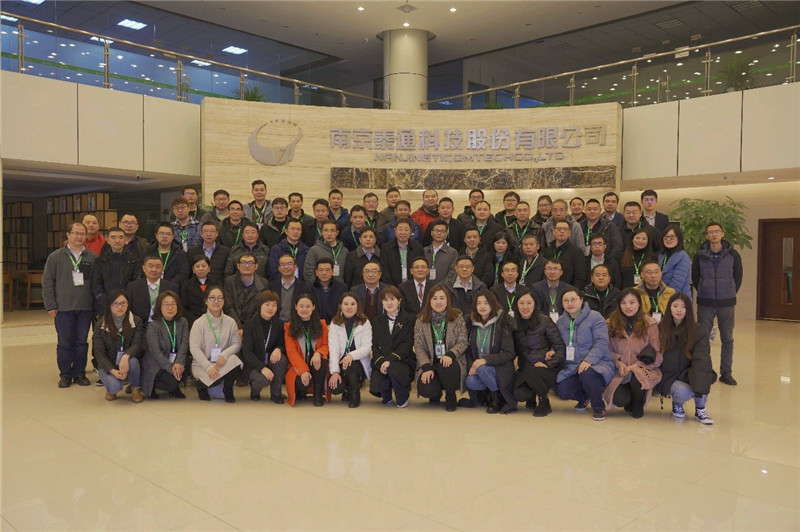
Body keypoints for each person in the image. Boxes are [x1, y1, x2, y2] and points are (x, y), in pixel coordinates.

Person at [43, 221, 97, 388]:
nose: (79, 237)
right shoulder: (56, 257)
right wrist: (50, 304)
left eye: (82, 234)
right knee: (65, 342)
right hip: (63, 307)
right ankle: (65, 374)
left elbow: (96, 283)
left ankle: (79, 373)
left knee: (81, 341)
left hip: (85, 307)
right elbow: (47, 281)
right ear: (68, 235)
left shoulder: (92, 258)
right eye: (76, 233)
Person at [692, 221, 743, 386]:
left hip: (726, 303)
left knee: (727, 339)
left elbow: (738, 277)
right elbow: (695, 277)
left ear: (722, 234)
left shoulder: (733, 255)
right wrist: (704, 290)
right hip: (705, 302)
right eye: (710, 232)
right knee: (702, 338)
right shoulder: (699, 255)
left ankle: (726, 373)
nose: (714, 234)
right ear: (706, 236)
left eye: (717, 231)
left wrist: (729, 291)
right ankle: (705, 371)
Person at [554, 288, 615, 421]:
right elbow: (558, 343)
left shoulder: (595, 317)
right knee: (562, 390)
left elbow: (602, 341)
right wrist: (552, 351)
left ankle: (598, 406)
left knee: (587, 374)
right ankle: (583, 397)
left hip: (598, 363)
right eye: (566, 300)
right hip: (572, 366)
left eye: (573, 299)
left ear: (581, 300)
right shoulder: (560, 322)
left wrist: (588, 360)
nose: (570, 303)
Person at [654, 293, 716, 424]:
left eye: (683, 307)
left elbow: (701, 360)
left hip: (688, 372)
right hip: (667, 375)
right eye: (675, 306)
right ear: (669, 308)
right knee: (684, 392)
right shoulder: (660, 329)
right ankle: (677, 404)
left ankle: (700, 409)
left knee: (704, 376)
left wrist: (699, 389)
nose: (679, 310)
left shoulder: (698, 330)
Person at [602, 288, 662, 418]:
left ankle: (638, 401)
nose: (628, 306)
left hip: (643, 369)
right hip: (620, 370)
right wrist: (618, 362)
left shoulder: (650, 324)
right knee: (619, 399)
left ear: (639, 304)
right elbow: (606, 351)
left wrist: (637, 366)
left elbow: (658, 354)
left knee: (637, 378)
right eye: (623, 303)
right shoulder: (610, 323)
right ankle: (629, 398)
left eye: (632, 302)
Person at [414, 285, 469, 412]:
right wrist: (426, 367)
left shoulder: (457, 317)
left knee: (447, 366)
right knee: (427, 388)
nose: (438, 302)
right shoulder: (421, 320)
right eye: (435, 298)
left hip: (451, 362)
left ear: (447, 300)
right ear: (429, 301)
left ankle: (450, 395)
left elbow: (463, 341)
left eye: (442, 298)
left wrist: (451, 354)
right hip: (431, 362)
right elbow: (419, 346)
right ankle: (436, 392)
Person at [512, 289, 565, 417]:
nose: (525, 307)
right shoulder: (513, 323)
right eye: (521, 303)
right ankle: (531, 394)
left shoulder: (544, 321)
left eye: (529, 303)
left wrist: (547, 363)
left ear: (535, 304)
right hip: (525, 367)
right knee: (520, 394)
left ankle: (544, 401)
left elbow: (560, 348)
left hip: (546, 367)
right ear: (516, 305)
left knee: (532, 372)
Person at [466, 290, 517, 414]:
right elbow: (468, 351)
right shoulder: (471, 323)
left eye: (486, 303)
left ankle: (497, 398)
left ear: (492, 304)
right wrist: (472, 365)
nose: (482, 306)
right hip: (480, 367)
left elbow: (509, 353)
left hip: (500, 368)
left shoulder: (502, 322)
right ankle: (487, 394)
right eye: (479, 303)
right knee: (470, 381)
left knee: (483, 369)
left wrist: (484, 360)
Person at [189, 286, 243, 402]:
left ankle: (227, 389)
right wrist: (208, 366)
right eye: (212, 298)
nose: (216, 301)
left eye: (220, 298)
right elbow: (194, 348)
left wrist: (224, 355)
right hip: (202, 365)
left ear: (224, 301)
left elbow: (237, 344)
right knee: (211, 380)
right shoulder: (198, 323)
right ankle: (201, 386)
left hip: (221, 364)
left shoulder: (231, 322)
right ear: (206, 301)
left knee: (235, 360)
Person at [93, 290, 146, 402]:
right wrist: (112, 370)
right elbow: (99, 353)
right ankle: (111, 388)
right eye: (115, 304)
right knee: (115, 387)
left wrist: (126, 356)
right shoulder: (100, 325)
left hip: (127, 361)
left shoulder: (136, 321)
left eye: (123, 303)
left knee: (133, 361)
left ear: (128, 304)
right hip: (109, 363)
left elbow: (137, 344)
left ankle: (135, 388)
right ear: (109, 306)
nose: (120, 307)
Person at [370, 286, 416, 407]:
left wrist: (390, 360)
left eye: (392, 299)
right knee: (377, 384)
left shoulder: (409, 319)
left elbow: (407, 345)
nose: (389, 303)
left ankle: (403, 397)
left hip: (403, 361)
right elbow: (375, 346)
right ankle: (387, 394)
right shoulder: (377, 320)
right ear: (382, 302)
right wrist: (381, 362)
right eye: (385, 300)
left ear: (399, 301)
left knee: (394, 369)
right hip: (383, 361)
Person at [241, 290, 289, 403]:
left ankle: (276, 394)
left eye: (274, 305)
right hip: (253, 364)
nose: (270, 308)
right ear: (260, 305)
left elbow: (283, 344)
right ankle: (255, 391)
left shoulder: (279, 324)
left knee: (281, 360)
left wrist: (279, 349)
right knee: (264, 379)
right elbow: (247, 352)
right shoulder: (249, 324)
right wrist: (262, 368)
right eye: (267, 304)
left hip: (270, 361)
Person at [328, 293, 373, 408]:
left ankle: (355, 394)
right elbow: (333, 349)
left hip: (358, 360)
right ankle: (346, 388)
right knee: (335, 388)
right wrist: (335, 372)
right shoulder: (334, 323)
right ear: (340, 306)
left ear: (358, 306)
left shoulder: (364, 322)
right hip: (340, 360)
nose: (349, 307)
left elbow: (367, 347)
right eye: (346, 304)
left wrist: (351, 356)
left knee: (351, 365)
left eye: (352, 304)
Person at [284, 294, 329, 406]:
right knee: (302, 383)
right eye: (301, 306)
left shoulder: (322, 324)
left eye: (308, 306)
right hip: (299, 365)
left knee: (321, 362)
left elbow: (326, 344)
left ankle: (318, 394)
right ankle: (301, 391)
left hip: (315, 363)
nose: (304, 309)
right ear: (296, 307)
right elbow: (291, 352)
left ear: (313, 307)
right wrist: (303, 370)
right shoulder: (289, 327)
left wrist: (318, 353)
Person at [142, 291, 189, 399]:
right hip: (156, 363)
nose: (170, 308)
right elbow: (156, 353)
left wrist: (179, 363)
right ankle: (151, 384)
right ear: (159, 307)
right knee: (172, 382)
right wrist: (172, 368)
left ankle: (174, 386)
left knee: (187, 361)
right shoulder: (153, 326)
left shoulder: (183, 322)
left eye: (173, 304)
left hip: (176, 360)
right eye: (166, 304)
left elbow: (184, 344)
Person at [91, 226, 140, 317]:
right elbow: (96, 285)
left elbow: (136, 284)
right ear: (108, 241)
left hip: (127, 306)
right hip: (105, 306)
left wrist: (123, 303)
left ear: (125, 240)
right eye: (113, 237)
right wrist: (108, 303)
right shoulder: (100, 261)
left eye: (121, 237)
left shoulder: (134, 260)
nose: (117, 241)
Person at [126, 255, 178, 325]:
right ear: (144, 268)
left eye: (158, 267)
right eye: (150, 266)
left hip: (164, 326)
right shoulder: (133, 287)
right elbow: (129, 310)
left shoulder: (172, 287)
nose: (154, 269)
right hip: (140, 325)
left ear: (162, 268)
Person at [223, 252, 269, 332]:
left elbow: (260, 309)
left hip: (255, 327)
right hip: (232, 326)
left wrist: (248, 328)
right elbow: (229, 307)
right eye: (243, 263)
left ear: (256, 266)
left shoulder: (264, 284)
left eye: (250, 263)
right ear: (238, 266)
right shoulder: (229, 282)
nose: (247, 266)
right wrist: (238, 327)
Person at [543, 220, 587, 288]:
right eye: (559, 229)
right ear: (553, 232)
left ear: (569, 233)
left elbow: (580, 276)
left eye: (565, 229)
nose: (562, 231)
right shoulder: (547, 251)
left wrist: (574, 291)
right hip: (548, 288)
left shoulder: (576, 252)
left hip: (568, 290)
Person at [303, 219, 349, 285]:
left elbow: (347, 274)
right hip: (319, 288)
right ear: (322, 232)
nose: (329, 234)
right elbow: (308, 273)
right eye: (326, 230)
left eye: (332, 231)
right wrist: (317, 287)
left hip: (339, 288)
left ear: (337, 233)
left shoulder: (344, 251)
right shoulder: (314, 250)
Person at [379, 219, 423, 286]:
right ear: (395, 231)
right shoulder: (386, 248)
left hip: (413, 286)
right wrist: (391, 288)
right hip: (392, 287)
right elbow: (384, 271)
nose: (403, 232)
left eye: (406, 230)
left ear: (410, 231)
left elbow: (421, 269)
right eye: (400, 229)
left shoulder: (418, 248)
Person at [269, 254, 310, 322]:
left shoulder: (304, 287)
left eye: (289, 264)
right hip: (275, 323)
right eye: (283, 264)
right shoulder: (271, 286)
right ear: (279, 268)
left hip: (297, 323)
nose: (286, 267)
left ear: (295, 267)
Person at [188, 221, 230, 286]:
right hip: (196, 286)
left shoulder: (225, 251)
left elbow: (227, 273)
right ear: (201, 234)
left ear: (217, 234)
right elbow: (189, 272)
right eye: (206, 231)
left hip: (217, 286)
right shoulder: (192, 251)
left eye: (212, 231)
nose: (209, 234)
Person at [150, 222, 191, 287]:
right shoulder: (148, 252)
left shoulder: (181, 254)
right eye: (161, 233)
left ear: (173, 236)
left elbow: (184, 274)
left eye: (168, 234)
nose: (164, 236)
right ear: (156, 235)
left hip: (173, 289)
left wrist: (168, 286)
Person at [531, 259, 571, 323]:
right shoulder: (536, 288)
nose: (552, 272)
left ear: (561, 272)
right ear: (545, 271)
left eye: (555, 269)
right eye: (549, 269)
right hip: (543, 322)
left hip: (563, 322)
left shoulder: (568, 289)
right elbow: (537, 309)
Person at [309, 257, 348, 324]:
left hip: (337, 324)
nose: (324, 273)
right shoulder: (309, 289)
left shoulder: (342, 288)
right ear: (316, 272)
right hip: (315, 325)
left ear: (332, 272)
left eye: (327, 270)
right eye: (321, 270)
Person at [659, 223, 691, 298]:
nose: (668, 239)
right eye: (666, 237)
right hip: (662, 296)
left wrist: (665, 297)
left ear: (678, 238)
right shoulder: (662, 255)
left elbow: (677, 283)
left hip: (678, 298)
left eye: (672, 237)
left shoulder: (683, 256)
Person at [423, 220, 458, 285]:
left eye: (442, 231)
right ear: (431, 233)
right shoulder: (424, 251)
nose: (439, 233)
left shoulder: (452, 252)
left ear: (446, 234)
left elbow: (452, 273)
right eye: (437, 231)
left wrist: (440, 287)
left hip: (444, 288)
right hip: (425, 287)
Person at [180, 255, 212, 325]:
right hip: (193, 322)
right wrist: (196, 322)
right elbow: (184, 307)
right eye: (197, 266)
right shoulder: (186, 285)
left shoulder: (216, 284)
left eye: (203, 266)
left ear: (209, 268)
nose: (201, 269)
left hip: (213, 321)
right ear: (193, 269)